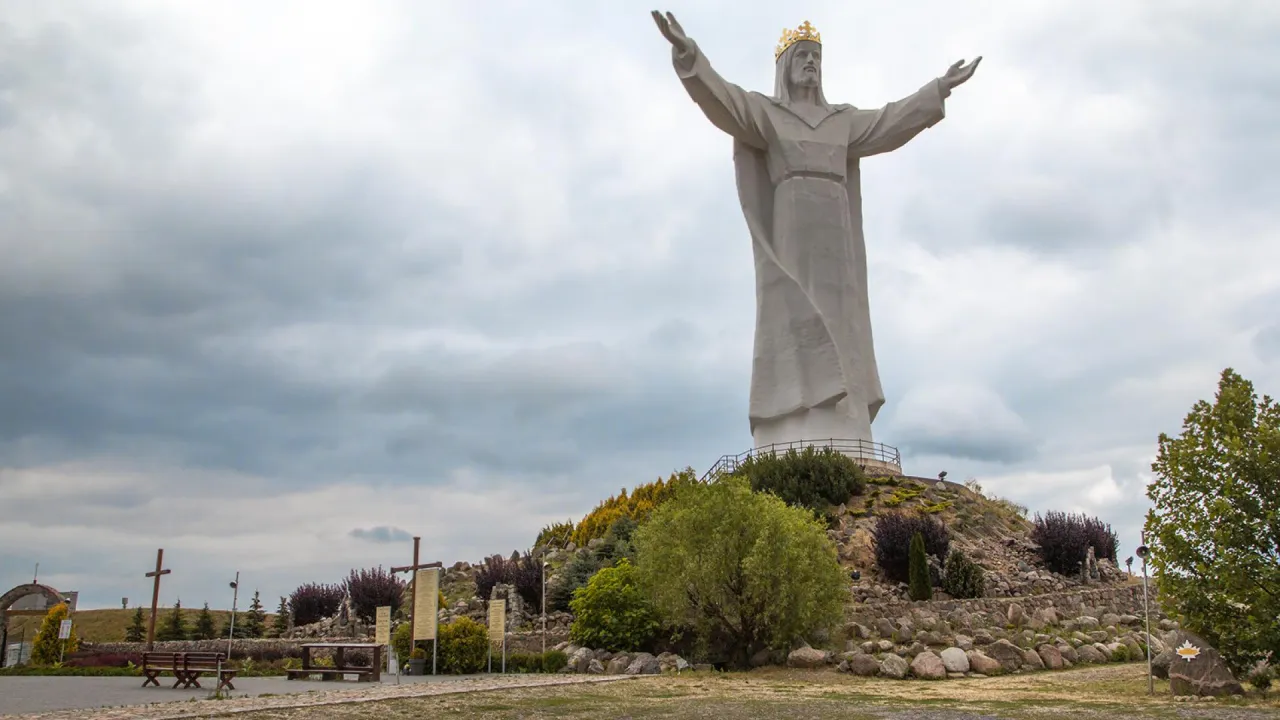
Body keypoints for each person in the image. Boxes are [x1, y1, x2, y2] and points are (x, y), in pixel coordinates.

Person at [652, 11, 980, 450]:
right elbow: (725, 101)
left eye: (816, 57)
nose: (811, 63)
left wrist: (938, 88)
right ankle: (793, 421)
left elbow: (889, 122)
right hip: (793, 229)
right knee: (793, 311)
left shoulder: (842, 120)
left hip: (837, 234)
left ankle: (845, 421)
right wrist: (689, 54)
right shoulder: (768, 114)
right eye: (803, 55)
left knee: (842, 318)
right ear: (785, 66)